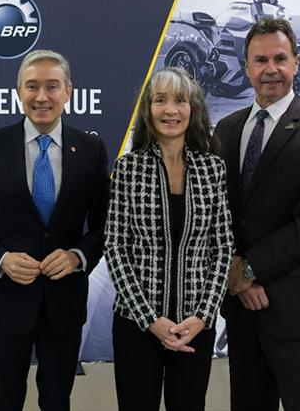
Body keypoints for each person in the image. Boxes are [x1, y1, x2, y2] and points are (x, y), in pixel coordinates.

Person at [0, 49, 110, 411]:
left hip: (64, 302)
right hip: (6, 301)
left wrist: (77, 256)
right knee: (1, 401)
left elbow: (105, 225)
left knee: (57, 401)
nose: (42, 97)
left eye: (52, 86)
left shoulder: (90, 148)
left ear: (68, 92)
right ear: (19, 92)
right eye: (32, 87)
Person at [213, 17, 300, 411]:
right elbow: (219, 213)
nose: (270, 69)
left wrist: (248, 270)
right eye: (260, 60)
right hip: (242, 310)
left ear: (296, 62)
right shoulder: (227, 128)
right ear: (246, 67)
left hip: (299, 310)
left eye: (280, 58)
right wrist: (234, 276)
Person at [104, 67, 234, 410]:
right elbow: (115, 248)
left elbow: (222, 248)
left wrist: (203, 316)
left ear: (193, 109)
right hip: (137, 325)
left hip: (196, 326)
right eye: (160, 100)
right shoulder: (128, 169)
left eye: (180, 100)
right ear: (148, 110)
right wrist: (150, 320)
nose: (170, 110)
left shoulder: (213, 169)